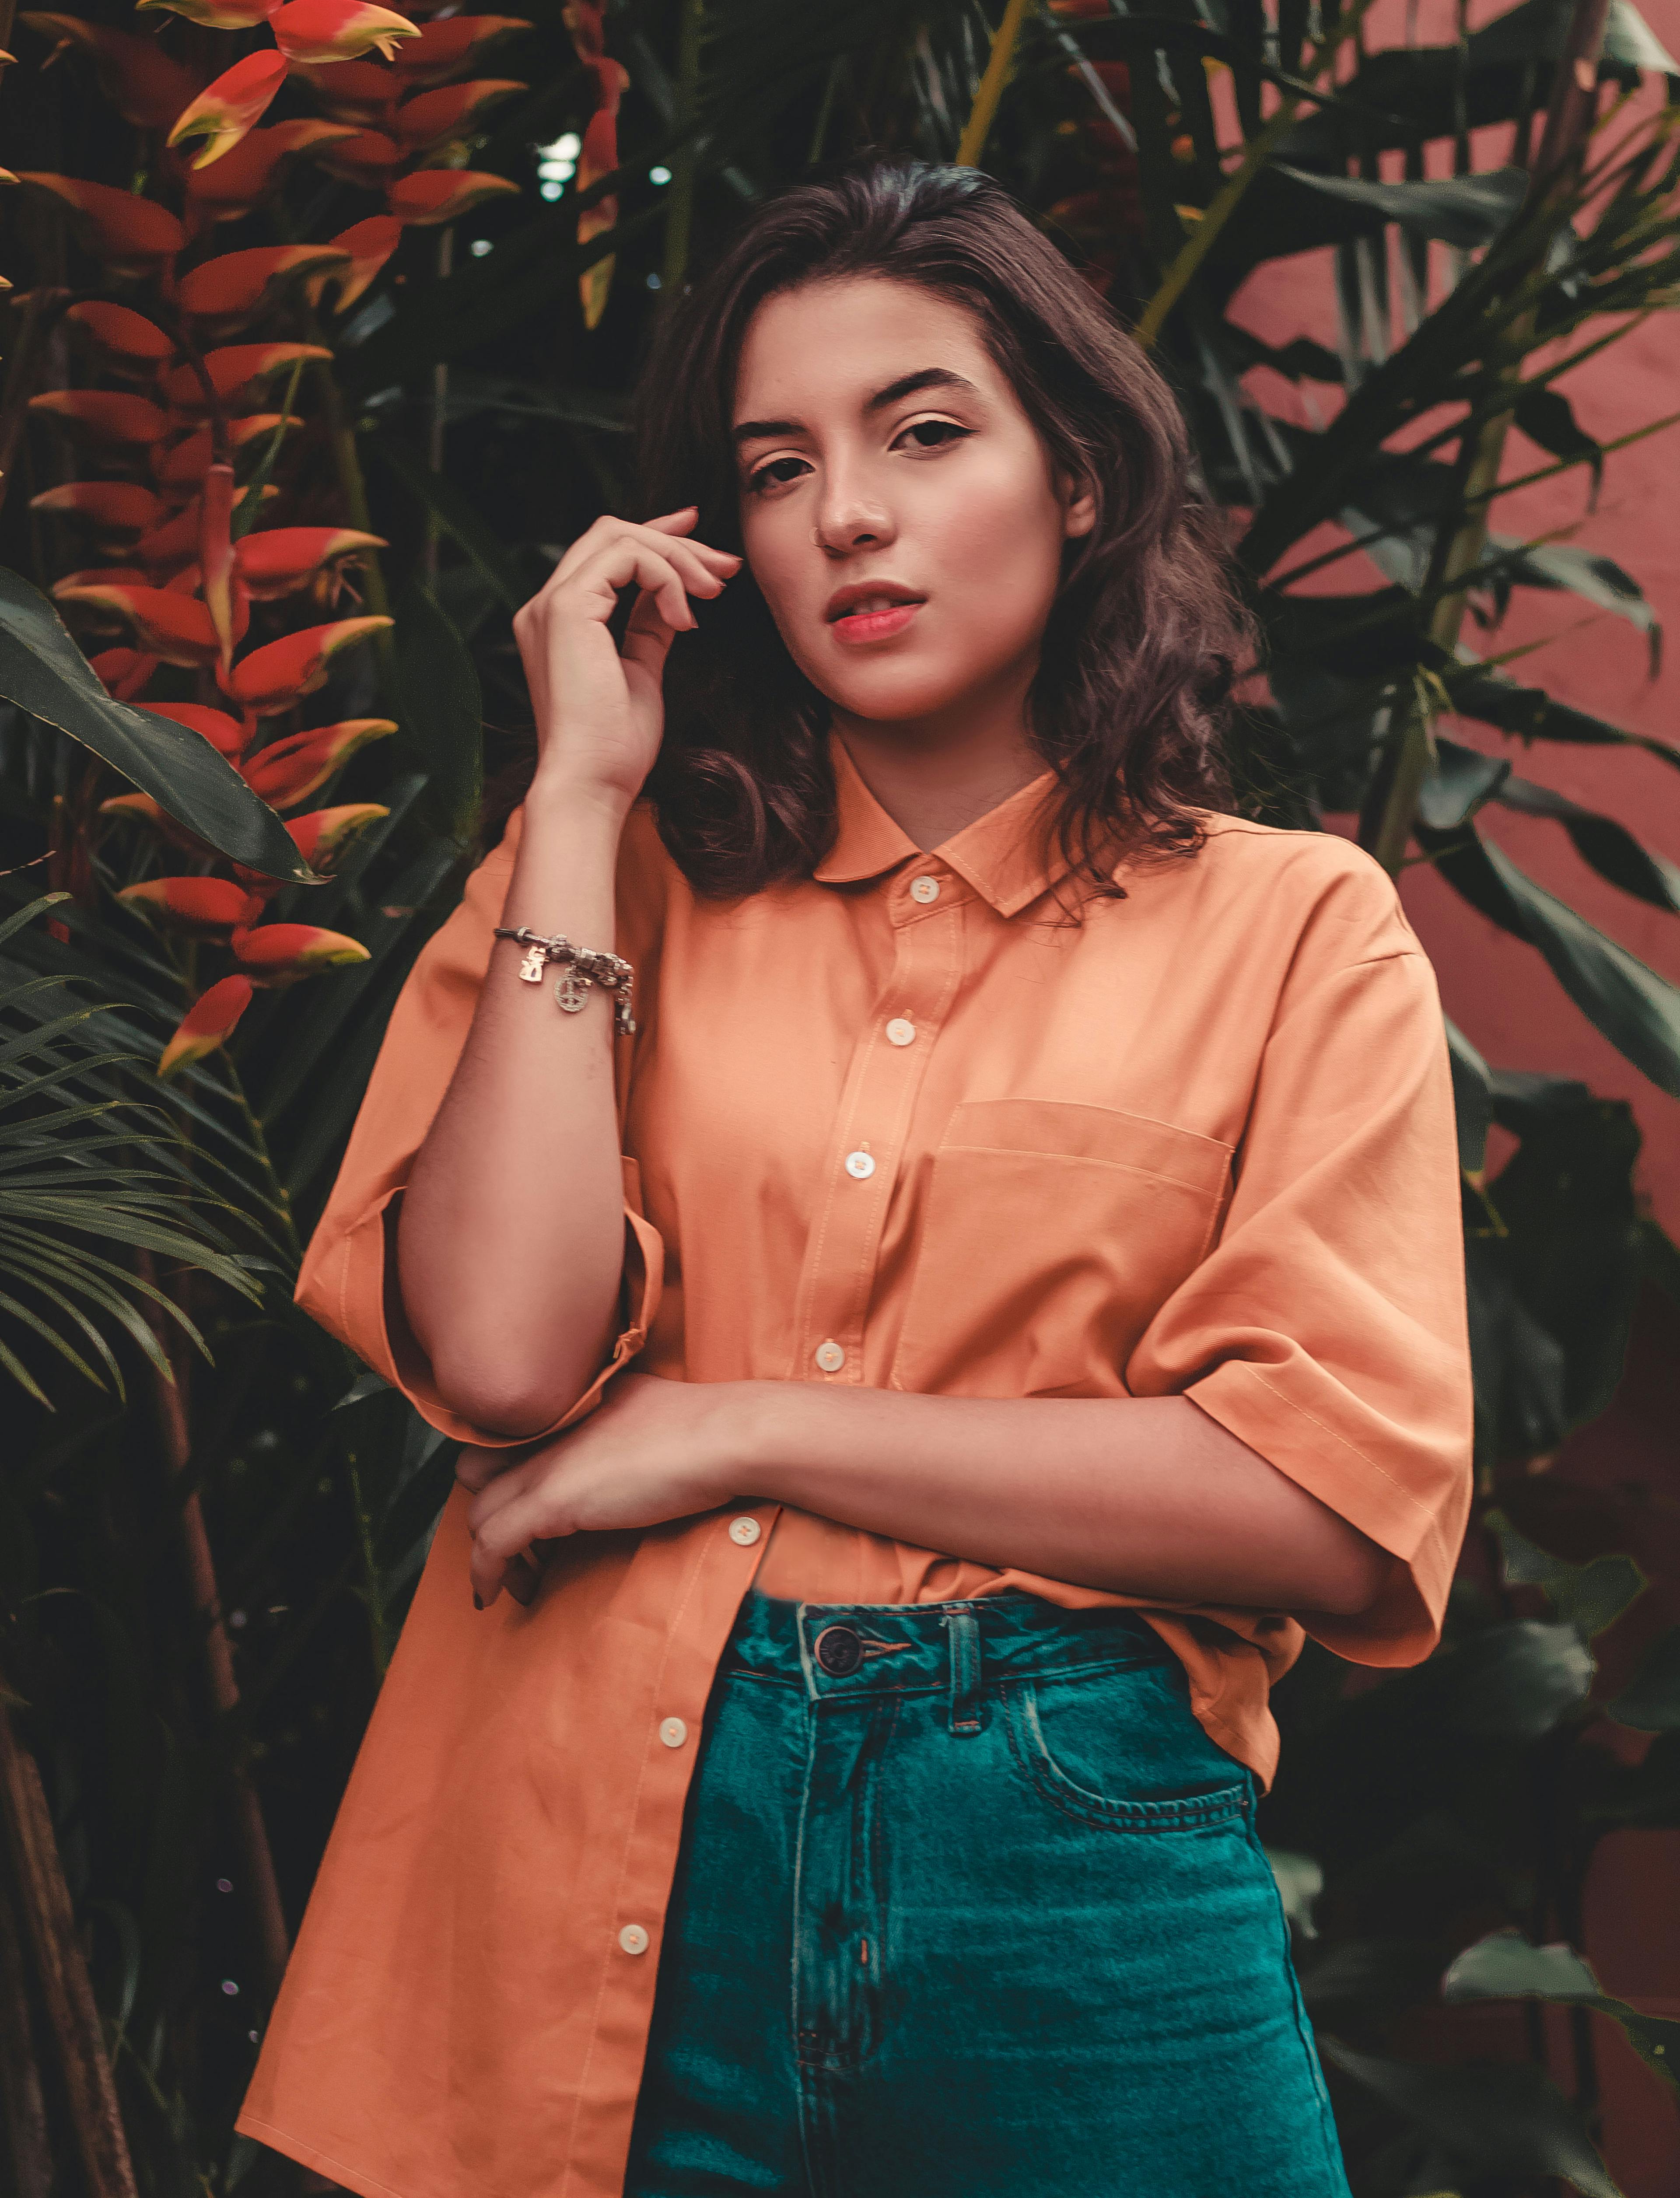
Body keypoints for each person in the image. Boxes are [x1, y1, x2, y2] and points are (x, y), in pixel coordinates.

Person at [237, 160, 1472, 2198]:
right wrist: (577, 796)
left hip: (1063, 1863)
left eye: (922, 433)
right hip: (579, 1843)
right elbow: (506, 1356)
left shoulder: (1294, 931)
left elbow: (1332, 1509)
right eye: (777, 468)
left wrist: (730, 1428)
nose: (848, 518)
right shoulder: (607, 884)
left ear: (1079, 476)